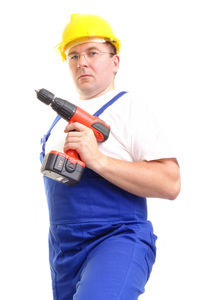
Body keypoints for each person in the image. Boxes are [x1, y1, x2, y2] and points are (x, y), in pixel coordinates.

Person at [40, 13, 181, 300]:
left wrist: (99, 160)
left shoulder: (130, 108)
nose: (82, 62)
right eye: (73, 56)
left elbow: (171, 183)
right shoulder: (56, 122)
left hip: (117, 238)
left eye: (92, 52)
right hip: (63, 248)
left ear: (115, 61)